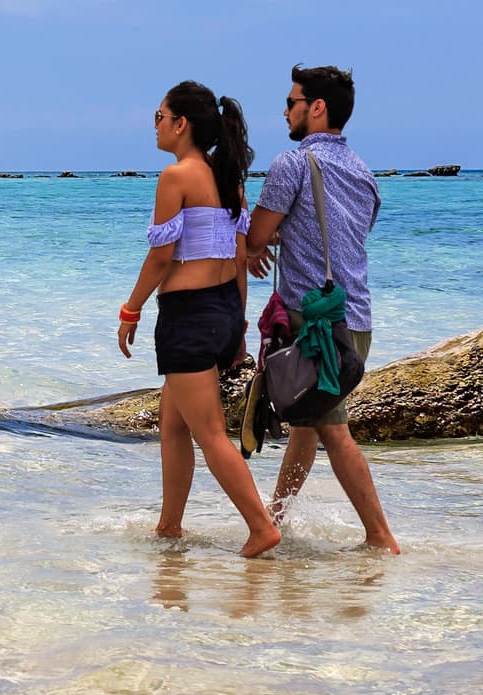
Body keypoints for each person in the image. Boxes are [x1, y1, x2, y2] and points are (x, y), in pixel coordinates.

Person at [116, 81, 279, 558]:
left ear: (180, 123)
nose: (156, 125)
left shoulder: (177, 176)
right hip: (225, 311)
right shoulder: (228, 178)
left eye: (159, 116)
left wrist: (131, 308)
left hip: (187, 319)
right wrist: (240, 328)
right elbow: (241, 254)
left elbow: (161, 258)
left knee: (208, 434)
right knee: (173, 426)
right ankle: (169, 527)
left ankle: (261, 527)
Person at [244, 63, 402, 553]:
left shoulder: (292, 164)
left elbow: (259, 235)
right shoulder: (365, 174)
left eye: (292, 102)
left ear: (316, 108)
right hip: (356, 317)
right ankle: (277, 518)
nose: (285, 112)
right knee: (307, 425)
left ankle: (380, 537)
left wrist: (251, 243)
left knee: (332, 430)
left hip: (316, 326)